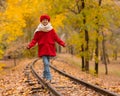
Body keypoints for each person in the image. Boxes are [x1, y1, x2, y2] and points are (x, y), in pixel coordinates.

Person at [27, 14, 66, 82]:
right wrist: (30, 45)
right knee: (46, 63)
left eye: (46, 20)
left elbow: (56, 38)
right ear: (41, 21)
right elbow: (34, 40)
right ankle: (48, 78)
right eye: (43, 20)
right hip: (42, 49)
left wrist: (63, 44)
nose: (45, 21)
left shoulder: (51, 30)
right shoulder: (38, 30)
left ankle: (44, 75)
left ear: (48, 21)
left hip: (50, 49)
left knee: (46, 63)